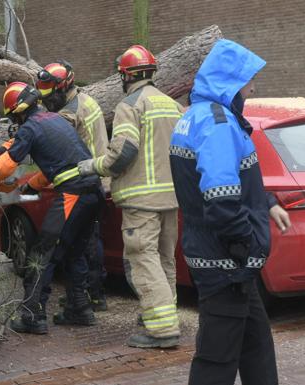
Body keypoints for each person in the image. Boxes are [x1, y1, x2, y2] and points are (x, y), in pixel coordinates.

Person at [168, 39, 291, 385]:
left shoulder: (196, 117)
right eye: (249, 79)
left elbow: (232, 177)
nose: (253, 87)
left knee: (256, 347)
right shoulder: (219, 124)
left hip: (224, 260)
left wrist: (266, 204)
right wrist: (246, 243)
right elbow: (221, 200)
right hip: (227, 264)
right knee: (216, 361)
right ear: (231, 82)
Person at [78, 45, 183, 348]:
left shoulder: (130, 105)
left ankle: (161, 330)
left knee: (143, 260)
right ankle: (163, 314)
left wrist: (93, 165)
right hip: (170, 199)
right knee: (164, 259)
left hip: (141, 202)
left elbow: (123, 152)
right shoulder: (172, 106)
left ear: (125, 75)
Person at [0, 82, 104, 334]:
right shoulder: (55, 120)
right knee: (74, 251)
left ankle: (32, 315)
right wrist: (32, 185)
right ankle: (79, 307)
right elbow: (60, 163)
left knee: (42, 253)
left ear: (18, 111)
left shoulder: (30, 128)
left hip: (74, 193)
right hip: (94, 192)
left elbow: (6, 167)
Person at [36, 60, 110, 311]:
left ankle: (90, 294)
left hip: (85, 180)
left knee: (84, 243)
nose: (49, 101)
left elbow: (57, 146)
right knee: (91, 239)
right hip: (97, 177)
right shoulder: (86, 101)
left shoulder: (69, 113)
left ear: (64, 87)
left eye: (51, 95)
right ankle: (93, 294)